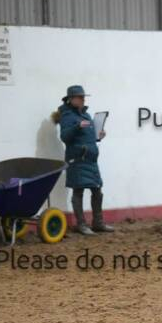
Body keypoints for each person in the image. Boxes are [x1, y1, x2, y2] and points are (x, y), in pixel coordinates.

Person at [52, 85, 114, 235]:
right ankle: (81, 224)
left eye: (83, 97)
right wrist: (77, 127)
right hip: (78, 159)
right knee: (78, 190)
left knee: (97, 191)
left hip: (90, 159)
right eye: (80, 97)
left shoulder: (86, 115)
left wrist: (98, 136)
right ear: (71, 99)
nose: (83, 99)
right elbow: (65, 137)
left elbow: (87, 136)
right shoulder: (67, 116)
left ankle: (98, 222)